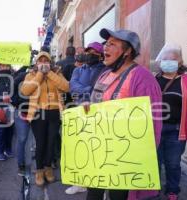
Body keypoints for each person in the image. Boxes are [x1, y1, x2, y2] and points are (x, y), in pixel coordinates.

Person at [86, 29, 162, 200]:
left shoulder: (143, 78)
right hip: (98, 152)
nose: (105, 47)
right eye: (106, 43)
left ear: (128, 51)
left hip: (124, 158)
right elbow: (96, 106)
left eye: (112, 44)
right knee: (93, 195)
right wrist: (87, 109)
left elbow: (152, 124)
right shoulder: (105, 75)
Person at [155, 44, 187, 200]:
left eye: (173, 59)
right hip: (155, 130)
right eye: (165, 59)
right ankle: (153, 190)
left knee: (173, 164)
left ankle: (172, 191)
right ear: (160, 61)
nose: (168, 62)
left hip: (175, 131)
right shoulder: (153, 79)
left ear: (180, 62)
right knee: (155, 163)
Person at [20, 51, 69, 186]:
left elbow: (66, 87)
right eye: (40, 61)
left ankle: (48, 168)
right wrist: (40, 74)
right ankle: (40, 171)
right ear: (36, 63)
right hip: (38, 113)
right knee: (41, 143)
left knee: (51, 142)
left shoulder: (57, 72)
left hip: (54, 113)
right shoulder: (31, 74)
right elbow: (25, 91)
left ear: (50, 62)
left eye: (45, 60)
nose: (43, 63)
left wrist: (50, 73)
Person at [65, 42, 107, 195]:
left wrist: (86, 90)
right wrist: (89, 89)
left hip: (98, 113)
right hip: (79, 112)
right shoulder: (77, 70)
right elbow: (72, 86)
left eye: (93, 52)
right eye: (87, 51)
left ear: (100, 55)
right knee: (80, 149)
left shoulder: (106, 70)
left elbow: (104, 89)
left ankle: (100, 185)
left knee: (97, 150)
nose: (89, 54)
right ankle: (80, 182)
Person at [0, 63, 15, 161]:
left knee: (9, 132)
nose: (4, 67)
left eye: (6, 65)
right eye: (2, 65)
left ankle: (8, 149)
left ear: (9, 66)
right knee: (0, 132)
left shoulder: (13, 77)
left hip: (10, 109)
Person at [12, 66, 31, 176]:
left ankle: (39, 166)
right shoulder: (21, 77)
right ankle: (21, 164)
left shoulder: (43, 77)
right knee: (22, 139)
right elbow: (12, 91)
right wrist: (17, 103)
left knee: (38, 139)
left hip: (37, 113)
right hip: (21, 113)